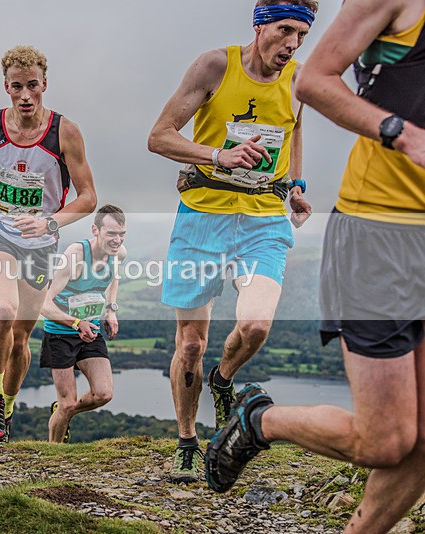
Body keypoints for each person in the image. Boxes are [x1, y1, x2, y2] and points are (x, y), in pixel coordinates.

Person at [206, 1, 425, 531]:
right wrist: (402, 132)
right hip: (382, 232)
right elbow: (315, 82)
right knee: (386, 439)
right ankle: (260, 421)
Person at [146, 0, 315, 482]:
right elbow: (159, 137)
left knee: (257, 325)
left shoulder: (300, 79)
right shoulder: (215, 65)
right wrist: (219, 154)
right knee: (191, 345)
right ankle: (186, 441)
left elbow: (293, 130)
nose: (292, 45)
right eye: (285, 31)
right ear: (259, 25)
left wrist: (296, 187)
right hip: (203, 216)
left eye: (302, 35)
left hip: (263, 218)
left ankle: (223, 381)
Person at [0, 46, 97, 443]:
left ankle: (7, 409)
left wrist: (49, 220)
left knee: (20, 337)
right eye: (18, 87)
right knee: (3, 309)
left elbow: (88, 198)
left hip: (40, 241)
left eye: (33, 85)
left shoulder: (64, 131)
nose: (26, 94)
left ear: (44, 84)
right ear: (6, 87)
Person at [41, 205, 126, 443]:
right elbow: (44, 305)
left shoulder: (118, 253)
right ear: (95, 230)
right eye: (111, 234)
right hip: (60, 333)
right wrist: (76, 323)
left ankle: (62, 409)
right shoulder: (76, 256)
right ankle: (54, 456)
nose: (117, 240)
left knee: (103, 394)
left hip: (91, 331)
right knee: (67, 404)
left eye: (121, 234)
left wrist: (111, 309)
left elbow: (113, 276)